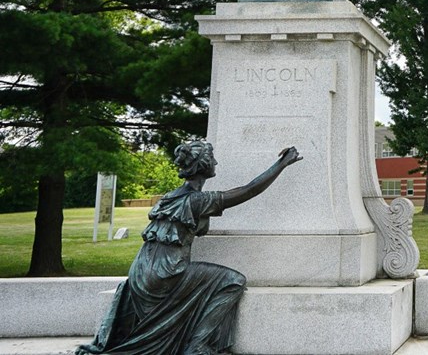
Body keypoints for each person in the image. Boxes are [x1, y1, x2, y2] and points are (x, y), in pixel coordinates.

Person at [77, 141, 302, 355]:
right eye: (212, 159)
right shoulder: (197, 201)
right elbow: (249, 190)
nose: (216, 163)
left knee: (213, 280)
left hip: (139, 272)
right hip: (166, 274)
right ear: (203, 166)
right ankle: (197, 345)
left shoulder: (169, 197)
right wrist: (281, 164)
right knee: (233, 281)